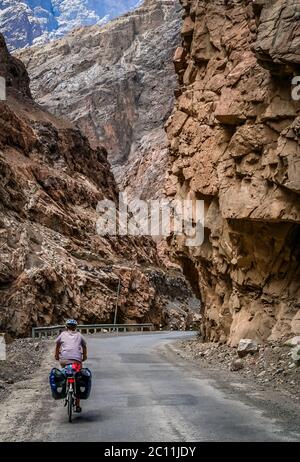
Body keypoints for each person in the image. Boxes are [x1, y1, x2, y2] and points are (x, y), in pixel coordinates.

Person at [55, 319, 87, 413]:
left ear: (66, 327)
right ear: (75, 327)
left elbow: (57, 344)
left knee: (65, 372)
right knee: (78, 378)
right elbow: (84, 346)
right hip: (76, 361)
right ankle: (77, 405)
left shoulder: (62, 334)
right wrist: (84, 356)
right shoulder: (79, 335)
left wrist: (56, 355)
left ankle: (65, 388)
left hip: (64, 360)